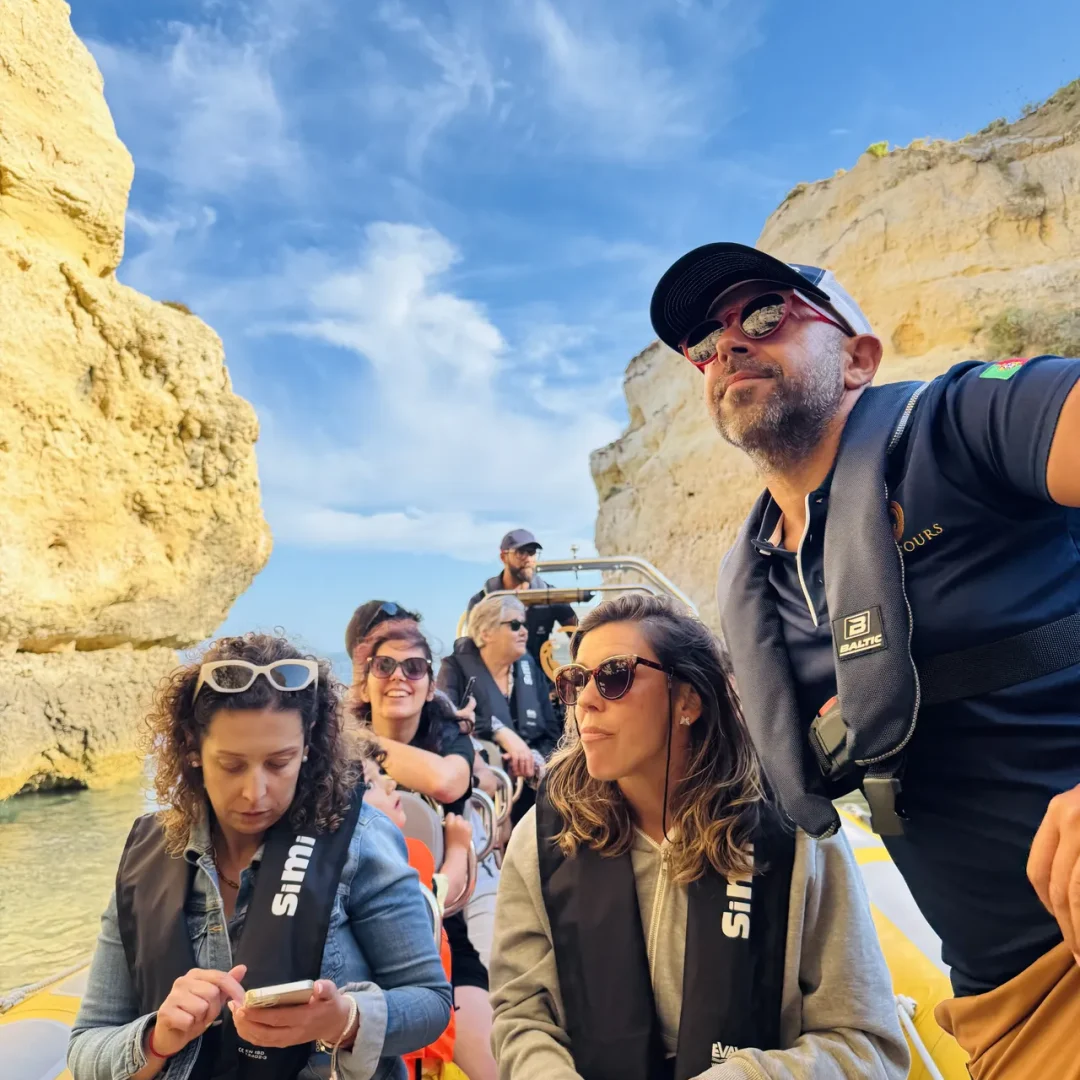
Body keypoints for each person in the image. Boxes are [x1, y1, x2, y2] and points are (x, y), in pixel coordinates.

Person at [648, 240, 1080, 1077]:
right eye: (703, 342)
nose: (728, 342)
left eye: (765, 314)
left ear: (858, 356)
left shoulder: (964, 425)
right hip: (1005, 1005)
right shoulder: (761, 583)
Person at [489, 594, 908, 1080]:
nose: (585, 699)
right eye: (575, 680)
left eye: (614, 676)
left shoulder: (798, 837)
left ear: (688, 699)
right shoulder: (542, 842)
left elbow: (866, 1047)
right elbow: (522, 1018)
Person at [68, 632, 451, 1080]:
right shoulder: (144, 856)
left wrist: (343, 1019)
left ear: (308, 747)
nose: (255, 792)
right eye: (231, 765)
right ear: (191, 748)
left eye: (279, 762)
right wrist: (156, 1036)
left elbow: (430, 1002)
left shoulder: (362, 840)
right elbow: (86, 1045)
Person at [354, 622, 498, 1080]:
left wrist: (355, 743)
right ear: (366, 679)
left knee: (493, 1065)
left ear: (431, 684)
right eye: (385, 665)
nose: (399, 676)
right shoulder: (328, 751)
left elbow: (447, 781)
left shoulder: (446, 735)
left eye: (414, 668)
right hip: (357, 936)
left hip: (442, 930)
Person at [359, 748, 472, 1080]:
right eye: (370, 784)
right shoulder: (396, 859)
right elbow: (445, 890)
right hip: (412, 1057)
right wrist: (458, 847)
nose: (391, 784)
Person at [438, 594, 562, 822]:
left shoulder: (529, 668)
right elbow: (444, 723)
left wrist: (532, 759)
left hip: (531, 792)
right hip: (481, 791)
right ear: (485, 633)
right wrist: (499, 732)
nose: (524, 631)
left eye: (524, 624)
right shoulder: (454, 669)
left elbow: (552, 734)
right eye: (515, 625)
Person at [466, 529, 579, 670]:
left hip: (541, 682)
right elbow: (470, 649)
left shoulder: (551, 597)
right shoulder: (482, 601)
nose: (528, 559)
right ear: (503, 557)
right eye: (521, 552)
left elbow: (581, 639)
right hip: (497, 678)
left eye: (532, 553)